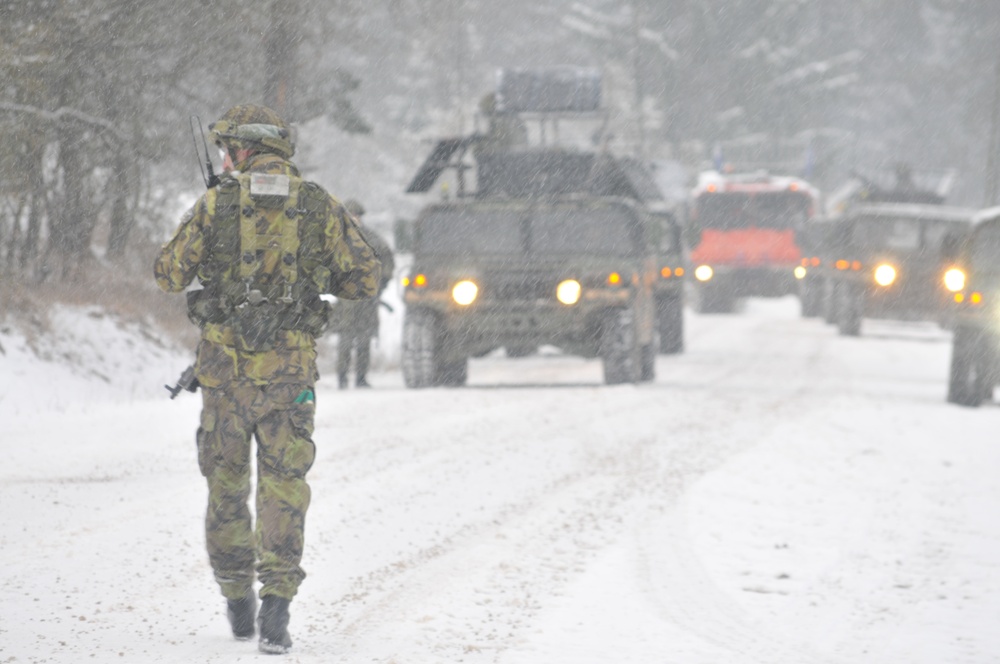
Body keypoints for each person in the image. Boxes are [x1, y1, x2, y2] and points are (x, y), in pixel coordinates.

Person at [153, 104, 381, 655]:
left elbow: (168, 274)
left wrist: (217, 250)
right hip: (290, 374)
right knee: (284, 486)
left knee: (227, 488)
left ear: (242, 149)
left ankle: (237, 601)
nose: (225, 159)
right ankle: (277, 606)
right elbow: (365, 277)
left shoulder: (216, 203)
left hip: (225, 376)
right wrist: (312, 277)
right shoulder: (317, 204)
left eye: (228, 149)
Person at [335, 199, 395, 388]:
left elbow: (387, 264)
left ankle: (361, 377)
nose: (353, 219)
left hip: (367, 298)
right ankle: (342, 377)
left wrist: (380, 286)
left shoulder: (373, 240)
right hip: (346, 298)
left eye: (356, 216)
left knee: (364, 338)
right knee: (345, 339)